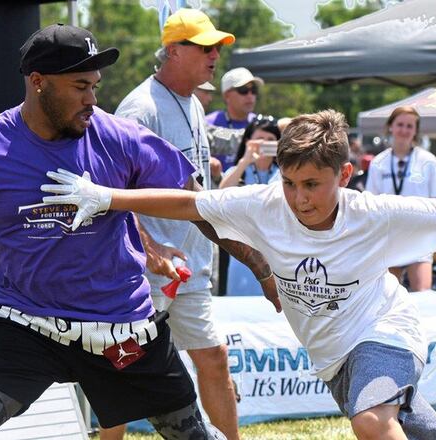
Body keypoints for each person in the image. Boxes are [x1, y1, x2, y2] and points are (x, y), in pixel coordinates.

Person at [40, 109, 436, 440]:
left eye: (314, 185)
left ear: (344, 175)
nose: (301, 199)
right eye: (292, 182)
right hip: (331, 354)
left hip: (386, 330)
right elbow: (189, 203)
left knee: (371, 422)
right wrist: (106, 198)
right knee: (408, 427)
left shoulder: (373, 214)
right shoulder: (264, 203)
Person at [0, 24, 228, 439]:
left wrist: (264, 269)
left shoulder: (119, 136)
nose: (92, 100)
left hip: (122, 328)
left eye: (95, 86)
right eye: (80, 86)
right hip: (25, 325)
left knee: (194, 437)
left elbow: (200, 205)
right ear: (38, 82)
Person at [111, 9, 270, 439]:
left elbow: (198, 193)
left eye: (217, 47)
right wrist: (151, 250)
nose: (215, 55)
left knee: (214, 356)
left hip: (192, 268)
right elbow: (112, 197)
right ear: (174, 52)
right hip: (144, 271)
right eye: (205, 47)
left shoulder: (193, 104)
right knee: (121, 362)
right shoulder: (139, 109)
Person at [365, 106, 436, 291]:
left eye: (409, 126)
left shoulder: (428, 161)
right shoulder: (379, 163)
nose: (404, 130)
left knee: (423, 296)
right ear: (390, 127)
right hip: (389, 237)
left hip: (419, 236)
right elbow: (370, 203)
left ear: (415, 130)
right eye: (400, 124)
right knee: (388, 298)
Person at [218, 116, 281, 296]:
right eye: (260, 139)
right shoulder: (237, 173)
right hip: (242, 254)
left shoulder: (284, 173)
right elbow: (220, 196)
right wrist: (245, 160)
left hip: (275, 252)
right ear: (247, 141)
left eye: (271, 140)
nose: (265, 144)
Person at [206, 67, 264, 170]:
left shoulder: (261, 124)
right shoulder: (209, 123)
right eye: (243, 90)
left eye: (253, 90)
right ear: (227, 95)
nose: (250, 96)